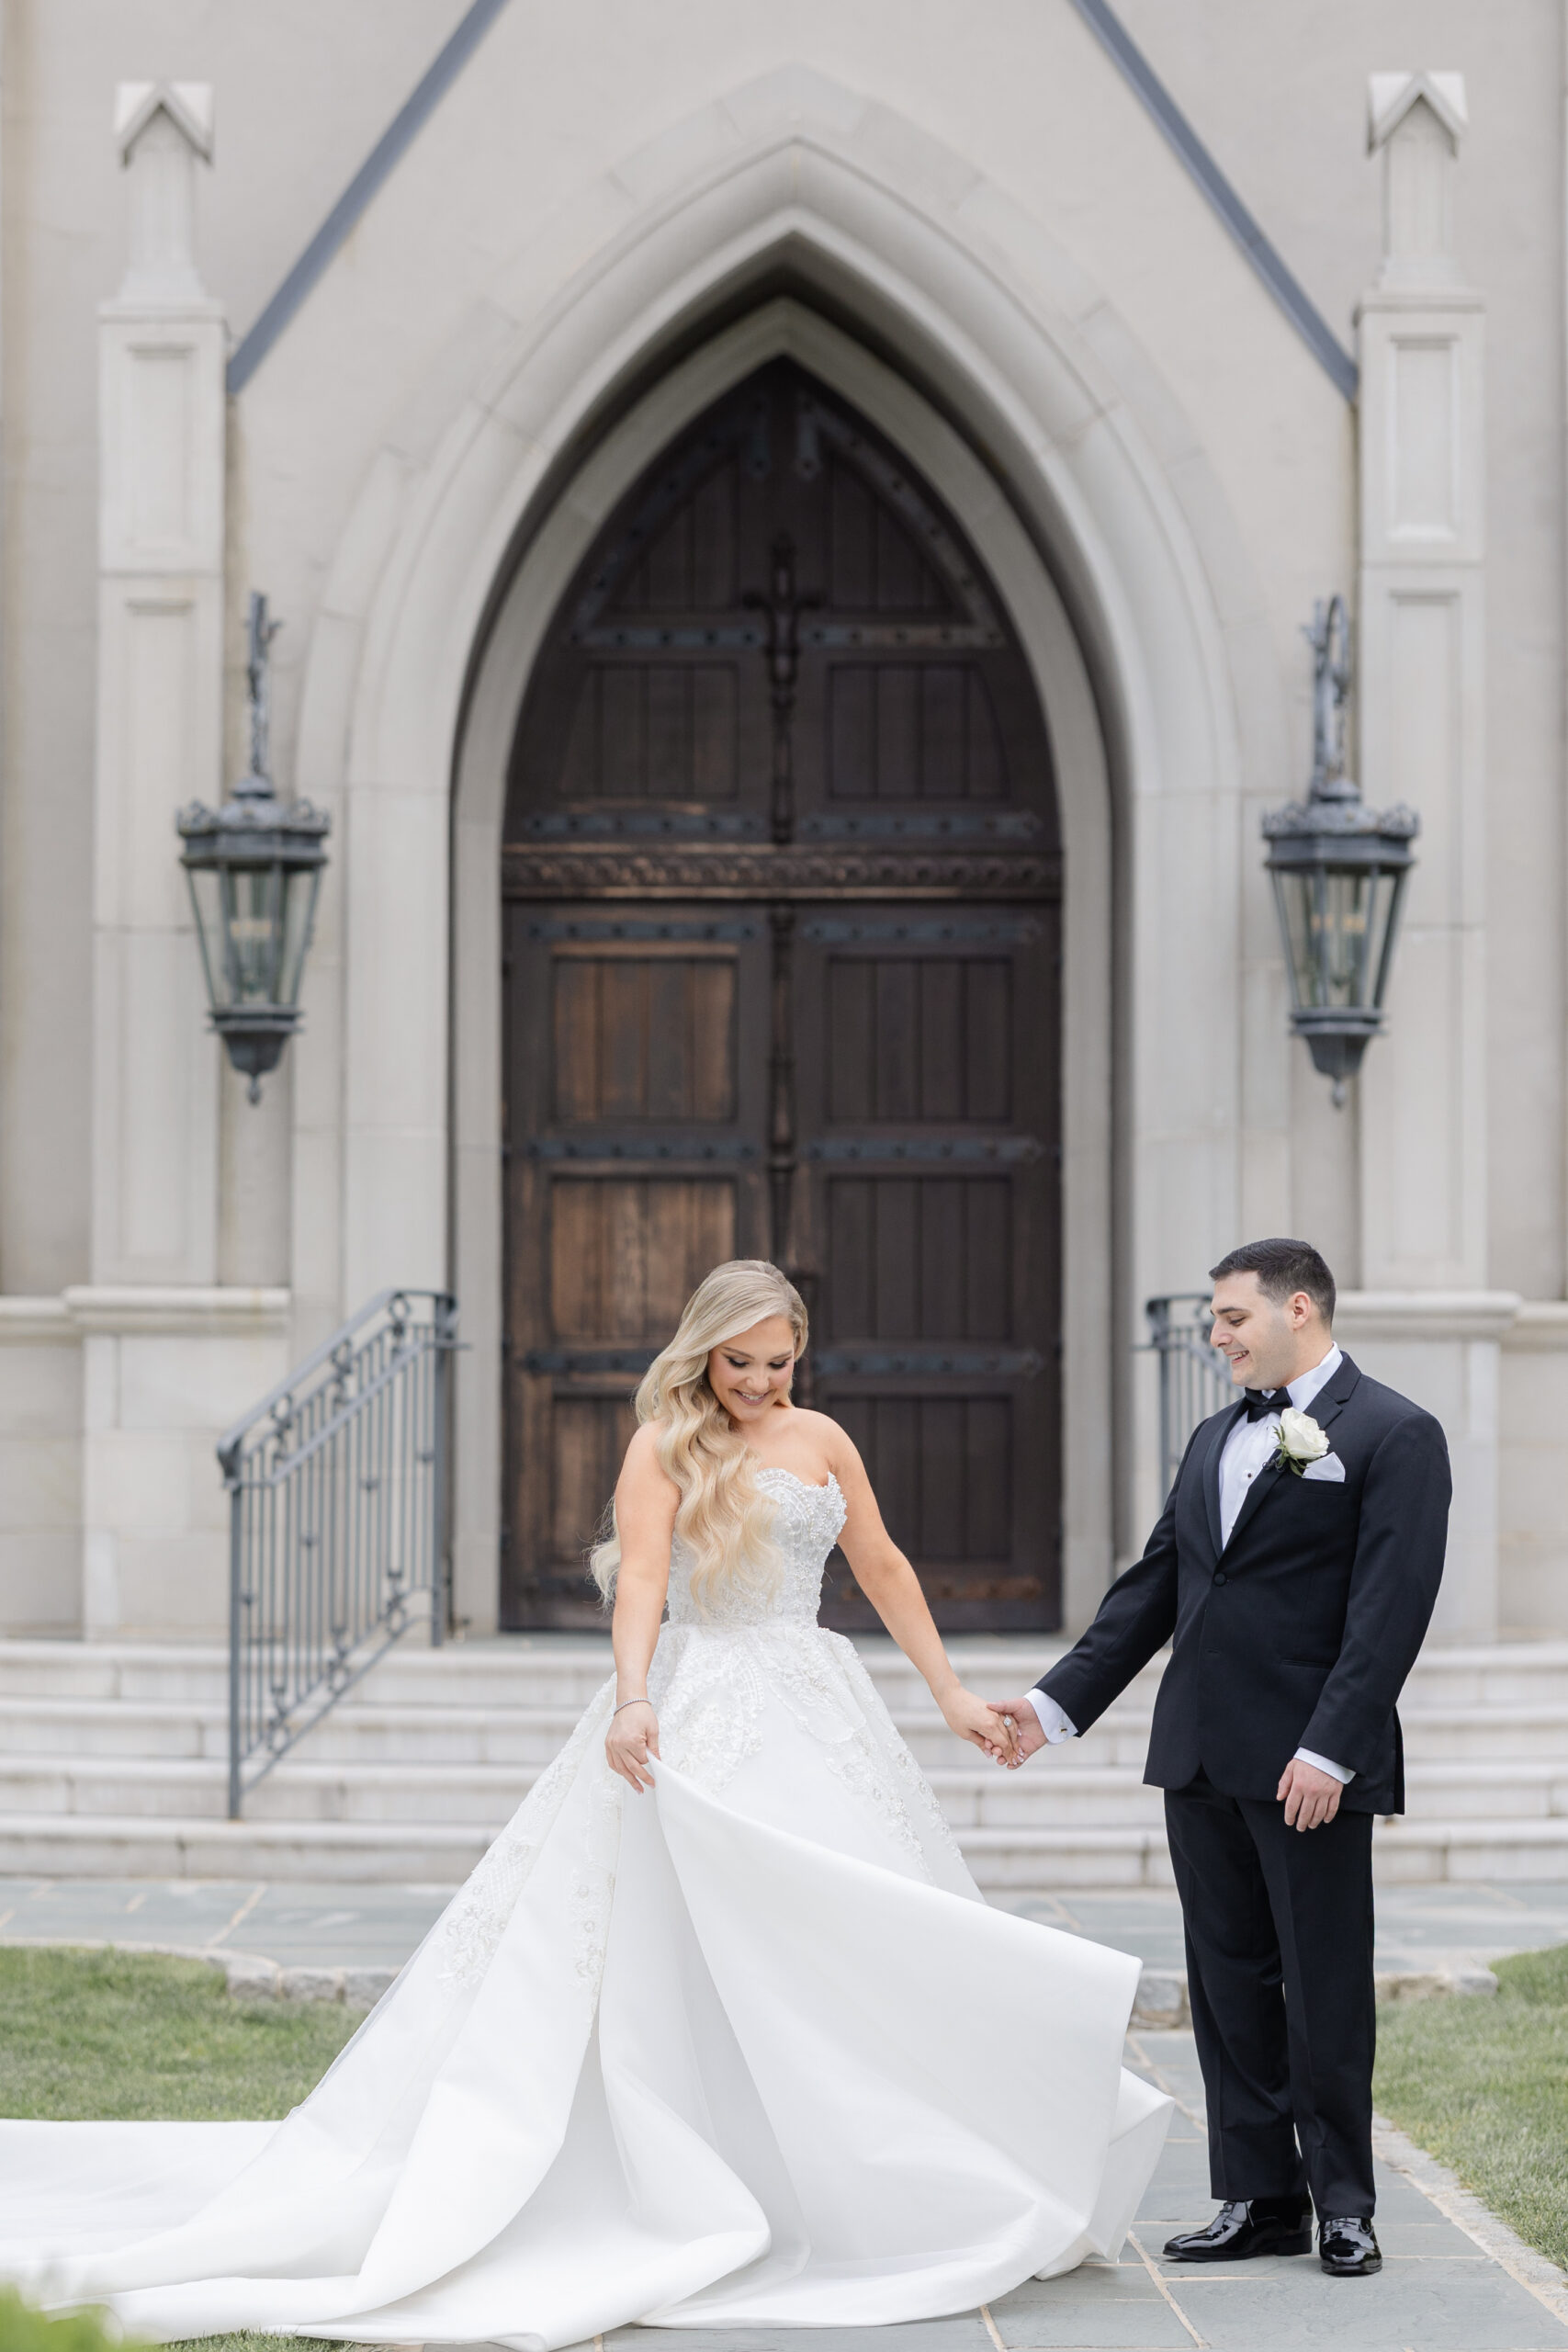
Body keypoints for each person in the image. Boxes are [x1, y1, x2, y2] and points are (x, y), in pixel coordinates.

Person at [0, 1259, 1169, 2346]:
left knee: (858, 1924)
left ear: (801, 1353)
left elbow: (883, 1566)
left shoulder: (824, 1437)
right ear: (703, 1355)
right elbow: (648, 1579)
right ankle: (707, 2162)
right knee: (697, 1931)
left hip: (819, 1702)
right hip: (700, 1700)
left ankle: (893, 2168)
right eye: (739, 1362)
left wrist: (952, 1691)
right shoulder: (664, 1443)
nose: (760, 1383)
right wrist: (630, 1696)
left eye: (778, 1360)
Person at [988, 1238, 1450, 2281]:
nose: (1217, 1333)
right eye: (1214, 1317)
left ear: (1299, 1308)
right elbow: (1154, 1588)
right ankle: (1259, 2197)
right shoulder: (1212, 1438)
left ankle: (1344, 2203)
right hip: (1198, 1748)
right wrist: (1055, 1705)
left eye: (1233, 1316)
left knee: (1322, 1982)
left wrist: (1332, 1746)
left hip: (1307, 1762)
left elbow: (1390, 1611)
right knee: (1227, 1981)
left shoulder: (1394, 1433)